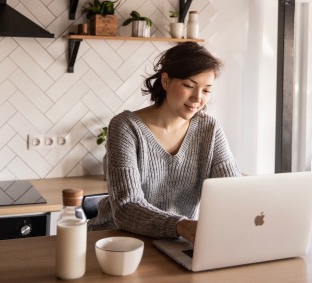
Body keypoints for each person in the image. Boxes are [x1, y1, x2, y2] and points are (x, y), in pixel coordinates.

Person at [88, 42, 241, 243]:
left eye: (206, 90)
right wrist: (181, 225)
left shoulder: (209, 129)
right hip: (115, 240)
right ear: (166, 80)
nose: (197, 98)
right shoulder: (126, 126)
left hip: (174, 241)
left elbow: (233, 191)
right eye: (189, 85)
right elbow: (127, 206)